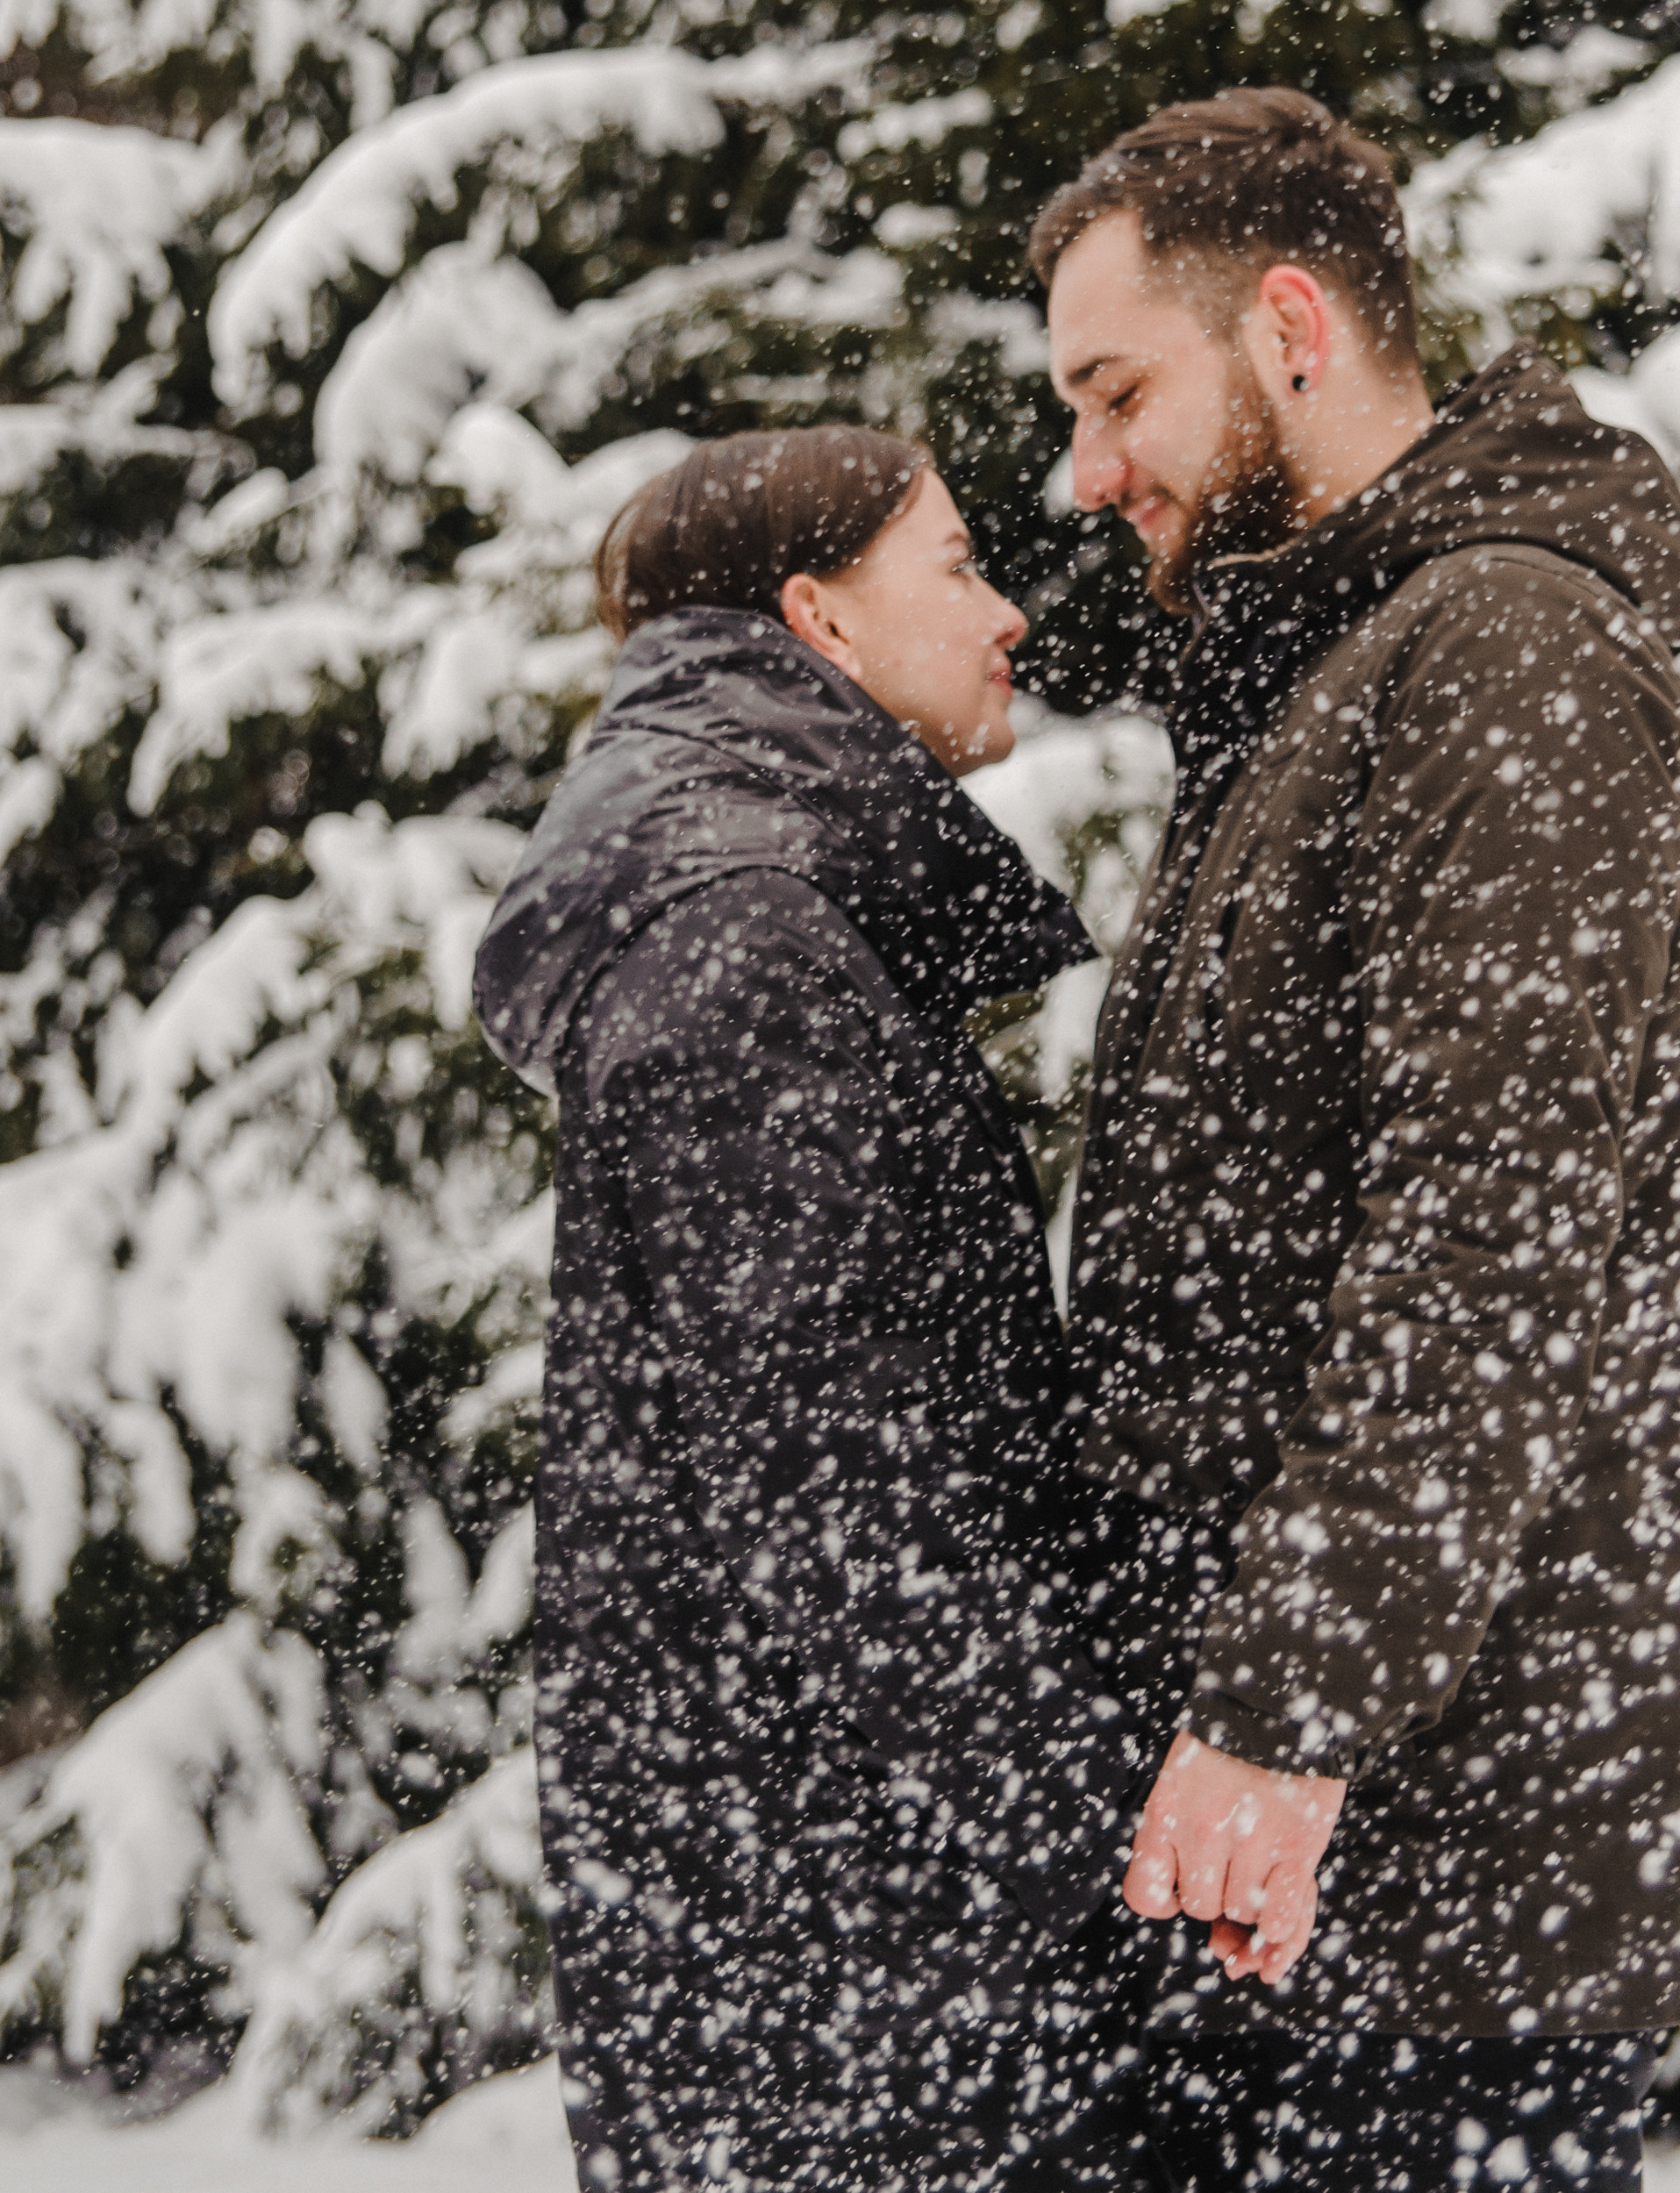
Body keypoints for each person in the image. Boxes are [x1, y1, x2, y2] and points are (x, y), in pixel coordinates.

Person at [1031, 89, 1680, 2191]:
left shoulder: (1500, 648)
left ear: (1287, 326)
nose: (1085, 474)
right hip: (1304, 1870)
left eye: (1114, 390)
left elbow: (1489, 1240)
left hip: (1445, 1893)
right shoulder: (1327, 672)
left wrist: (1282, 1713)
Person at [471, 429, 1159, 2193]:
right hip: (860, 1989)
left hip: (824, 1956)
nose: (1004, 610)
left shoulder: (761, 915)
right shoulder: (745, 950)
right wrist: (1077, 1861)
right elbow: (846, 1524)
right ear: (818, 621)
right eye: (950, 563)